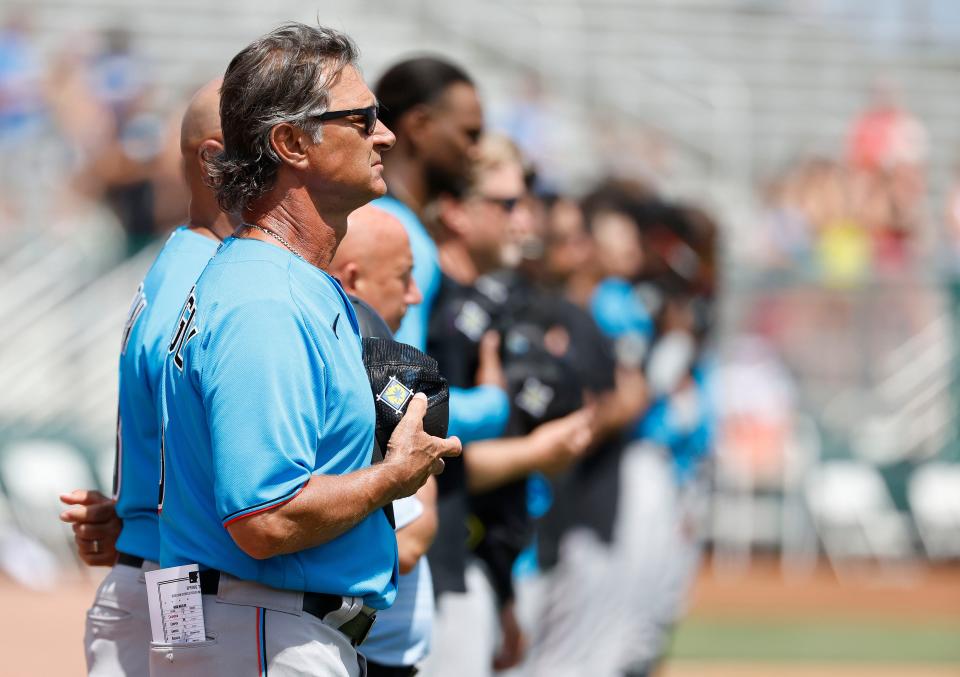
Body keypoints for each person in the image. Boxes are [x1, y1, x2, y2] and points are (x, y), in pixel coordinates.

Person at [154, 24, 460, 677]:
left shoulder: (281, 280)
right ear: (292, 142)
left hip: (252, 621)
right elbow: (264, 517)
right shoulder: (266, 298)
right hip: (259, 629)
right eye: (362, 118)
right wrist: (394, 477)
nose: (387, 135)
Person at [58, 77, 238, 677]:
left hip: (158, 569)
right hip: (173, 577)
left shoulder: (186, 261)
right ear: (215, 157)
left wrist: (130, 513)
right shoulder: (202, 276)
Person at [421, 134, 596, 677]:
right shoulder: (440, 309)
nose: (525, 221)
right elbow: (432, 460)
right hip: (441, 568)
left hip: (483, 564)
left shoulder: (489, 303)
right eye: (507, 205)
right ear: (456, 211)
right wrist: (537, 451)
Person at [373, 56, 510, 447]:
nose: (477, 151)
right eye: (469, 134)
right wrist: (493, 405)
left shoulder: (389, 221)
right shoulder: (397, 232)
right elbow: (398, 395)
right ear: (419, 126)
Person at [328, 203, 436, 677]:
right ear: (352, 280)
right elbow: (412, 539)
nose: (413, 295)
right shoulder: (356, 365)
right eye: (403, 277)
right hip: (353, 649)